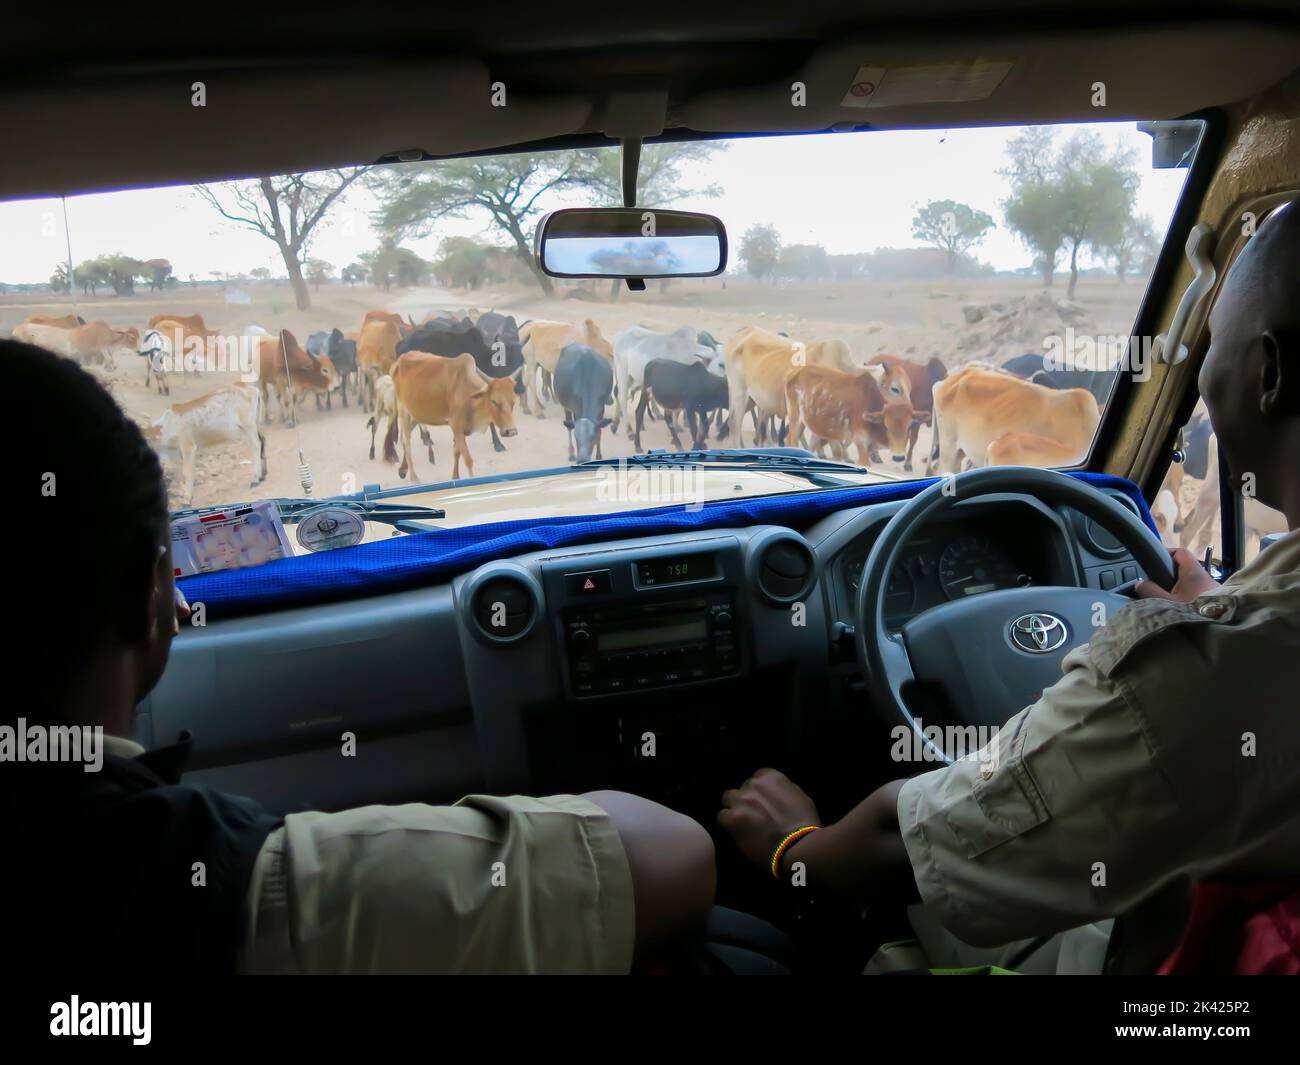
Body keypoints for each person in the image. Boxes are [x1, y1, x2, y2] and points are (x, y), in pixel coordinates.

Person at [2, 338, 714, 974]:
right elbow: (672, 857)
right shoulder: (227, 890)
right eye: (176, 576)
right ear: (148, 595)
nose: (188, 606)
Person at [719, 201, 1300, 974]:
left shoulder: (1192, 681)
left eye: (1212, 342)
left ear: (1268, 373)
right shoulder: (1256, 618)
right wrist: (1213, 619)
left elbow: (910, 840)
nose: (1197, 370)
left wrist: (796, 845)